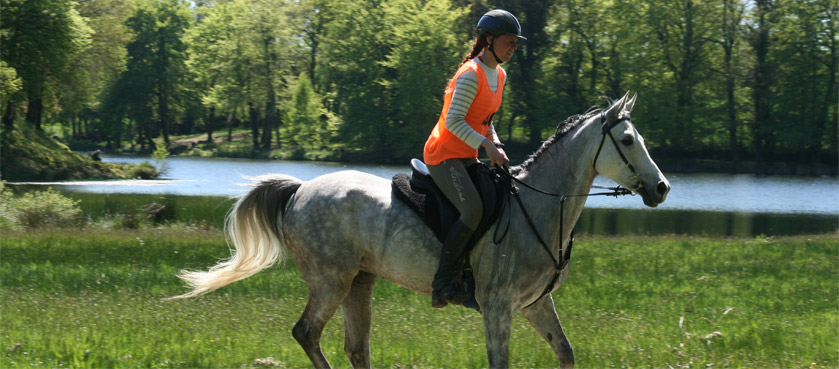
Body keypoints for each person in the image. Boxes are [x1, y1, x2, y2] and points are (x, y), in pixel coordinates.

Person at [423, 9, 525, 308]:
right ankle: (442, 285)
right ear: (489, 40)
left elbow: (484, 118)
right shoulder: (470, 74)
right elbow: (454, 122)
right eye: (510, 41)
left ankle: (472, 274)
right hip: (443, 155)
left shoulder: (500, 74)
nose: (514, 47)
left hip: (467, 154)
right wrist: (486, 146)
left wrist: (495, 143)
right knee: (472, 211)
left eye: (516, 42)